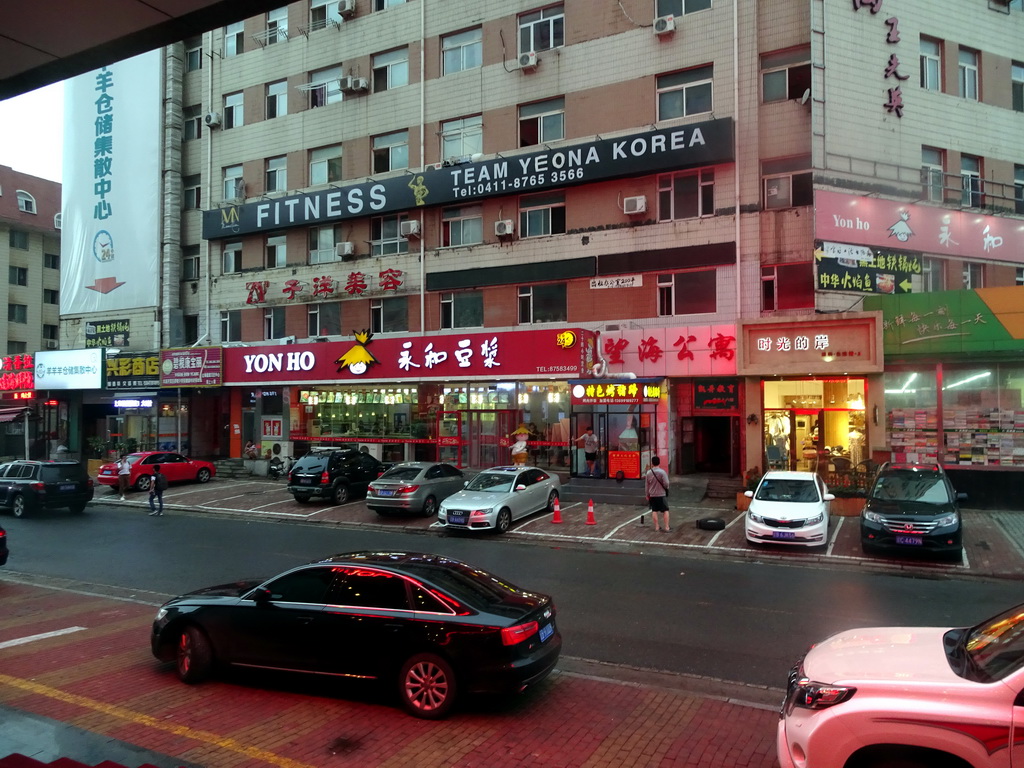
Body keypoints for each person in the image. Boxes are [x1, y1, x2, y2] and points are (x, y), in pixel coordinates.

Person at [644, 456, 670, 533]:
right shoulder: (662, 472)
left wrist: (647, 494)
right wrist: (666, 487)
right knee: (665, 510)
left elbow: (647, 485)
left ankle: (656, 527)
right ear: (659, 462)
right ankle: (667, 527)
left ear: (652, 463)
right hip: (661, 494)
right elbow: (666, 483)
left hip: (652, 494)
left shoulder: (648, 473)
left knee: (654, 510)